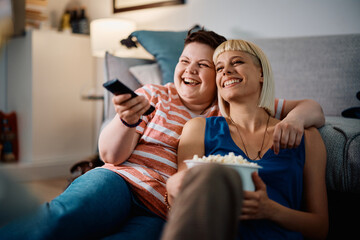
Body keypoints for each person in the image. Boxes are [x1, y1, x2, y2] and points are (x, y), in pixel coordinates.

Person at [0, 29, 324, 240]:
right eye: (184, 62)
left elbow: (311, 107)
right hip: (123, 181)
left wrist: (294, 121)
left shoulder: (227, 110)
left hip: (161, 211)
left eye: (204, 66)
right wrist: (126, 121)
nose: (190, 70)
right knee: (59, 220)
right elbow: (110, 156)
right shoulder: (156, 94)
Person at [161, 39, 328, 240]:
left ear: (261, 74)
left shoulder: (306, 136)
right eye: (220, 68)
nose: (226, 71)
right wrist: (172, 189)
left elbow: (320, 228)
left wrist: (270, 210)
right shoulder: (199, 128)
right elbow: (183, 201)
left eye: (237, 62)